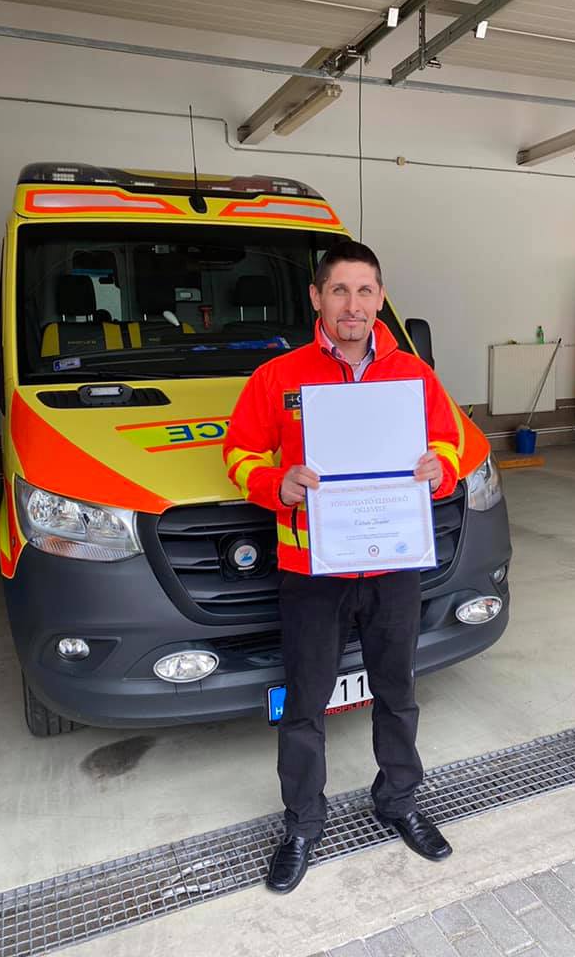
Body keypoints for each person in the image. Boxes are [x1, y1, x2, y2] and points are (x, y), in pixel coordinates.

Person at [223, 241, 464, 894]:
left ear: (379, 298)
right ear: (317, 298)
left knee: (398, 693)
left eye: (364, 291)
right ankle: (302, 823)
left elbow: (452, 443)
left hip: (393, 565)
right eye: (339, 291)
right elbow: (239, 453)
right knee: (305, 703)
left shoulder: (414, 375)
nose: (352, 305)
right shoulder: (278, 377)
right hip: (312, 570)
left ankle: (399, 802)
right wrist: (276, 483)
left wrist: (439, 468)